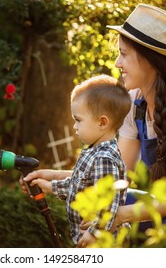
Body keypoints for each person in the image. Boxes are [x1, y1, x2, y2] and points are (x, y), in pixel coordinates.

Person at [23, 3, 166, 235]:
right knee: (113, 200)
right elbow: (115, 175)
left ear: (151, 60)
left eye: (124, 54)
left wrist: (121, 216)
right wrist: (54, 178)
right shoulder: (134, 103)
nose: (117, 63)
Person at [24, 74, 132, 247]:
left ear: (102, 122)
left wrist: (95, 233)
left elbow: (108, 205)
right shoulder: (93, 152)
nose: (74, 126)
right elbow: (79, 186)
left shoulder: (104, 159)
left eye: (78, 120)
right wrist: (50, 186)